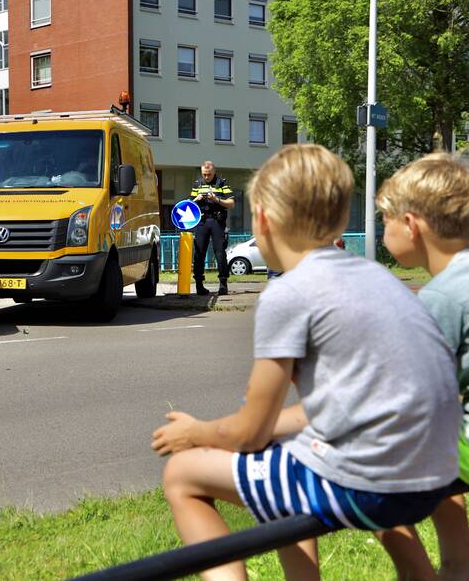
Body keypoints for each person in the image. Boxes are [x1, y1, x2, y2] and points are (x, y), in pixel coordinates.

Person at [151, 144, 460, 581]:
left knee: (183, 473)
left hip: (372, 483)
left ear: (262, 221)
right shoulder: (376, 277)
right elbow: (346, 404)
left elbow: (251, 430)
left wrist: (195, 433)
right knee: (282, 459)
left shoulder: (288, 292)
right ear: (339, 222)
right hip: (437, 473)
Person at [375, 154, 469, 581]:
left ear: (411, 225)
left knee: (368, 469)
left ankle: (423, 574)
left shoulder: (441, 299)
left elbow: (405, 393)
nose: (383, 231)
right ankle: (457, 563)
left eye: (384, 220)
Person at [190, 161, 235, 295]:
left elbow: (231, 203)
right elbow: (189, 205)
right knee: (199, 254)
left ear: (214, 172)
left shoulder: (222, 183)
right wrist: (196, 199)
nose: (206, 177)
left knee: (220, 252)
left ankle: (223, 284)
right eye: (204, 174)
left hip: (217, 221)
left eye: (209, 174)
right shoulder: (197, 184)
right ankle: (199, 284)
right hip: (202, 221)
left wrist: (216, 199)